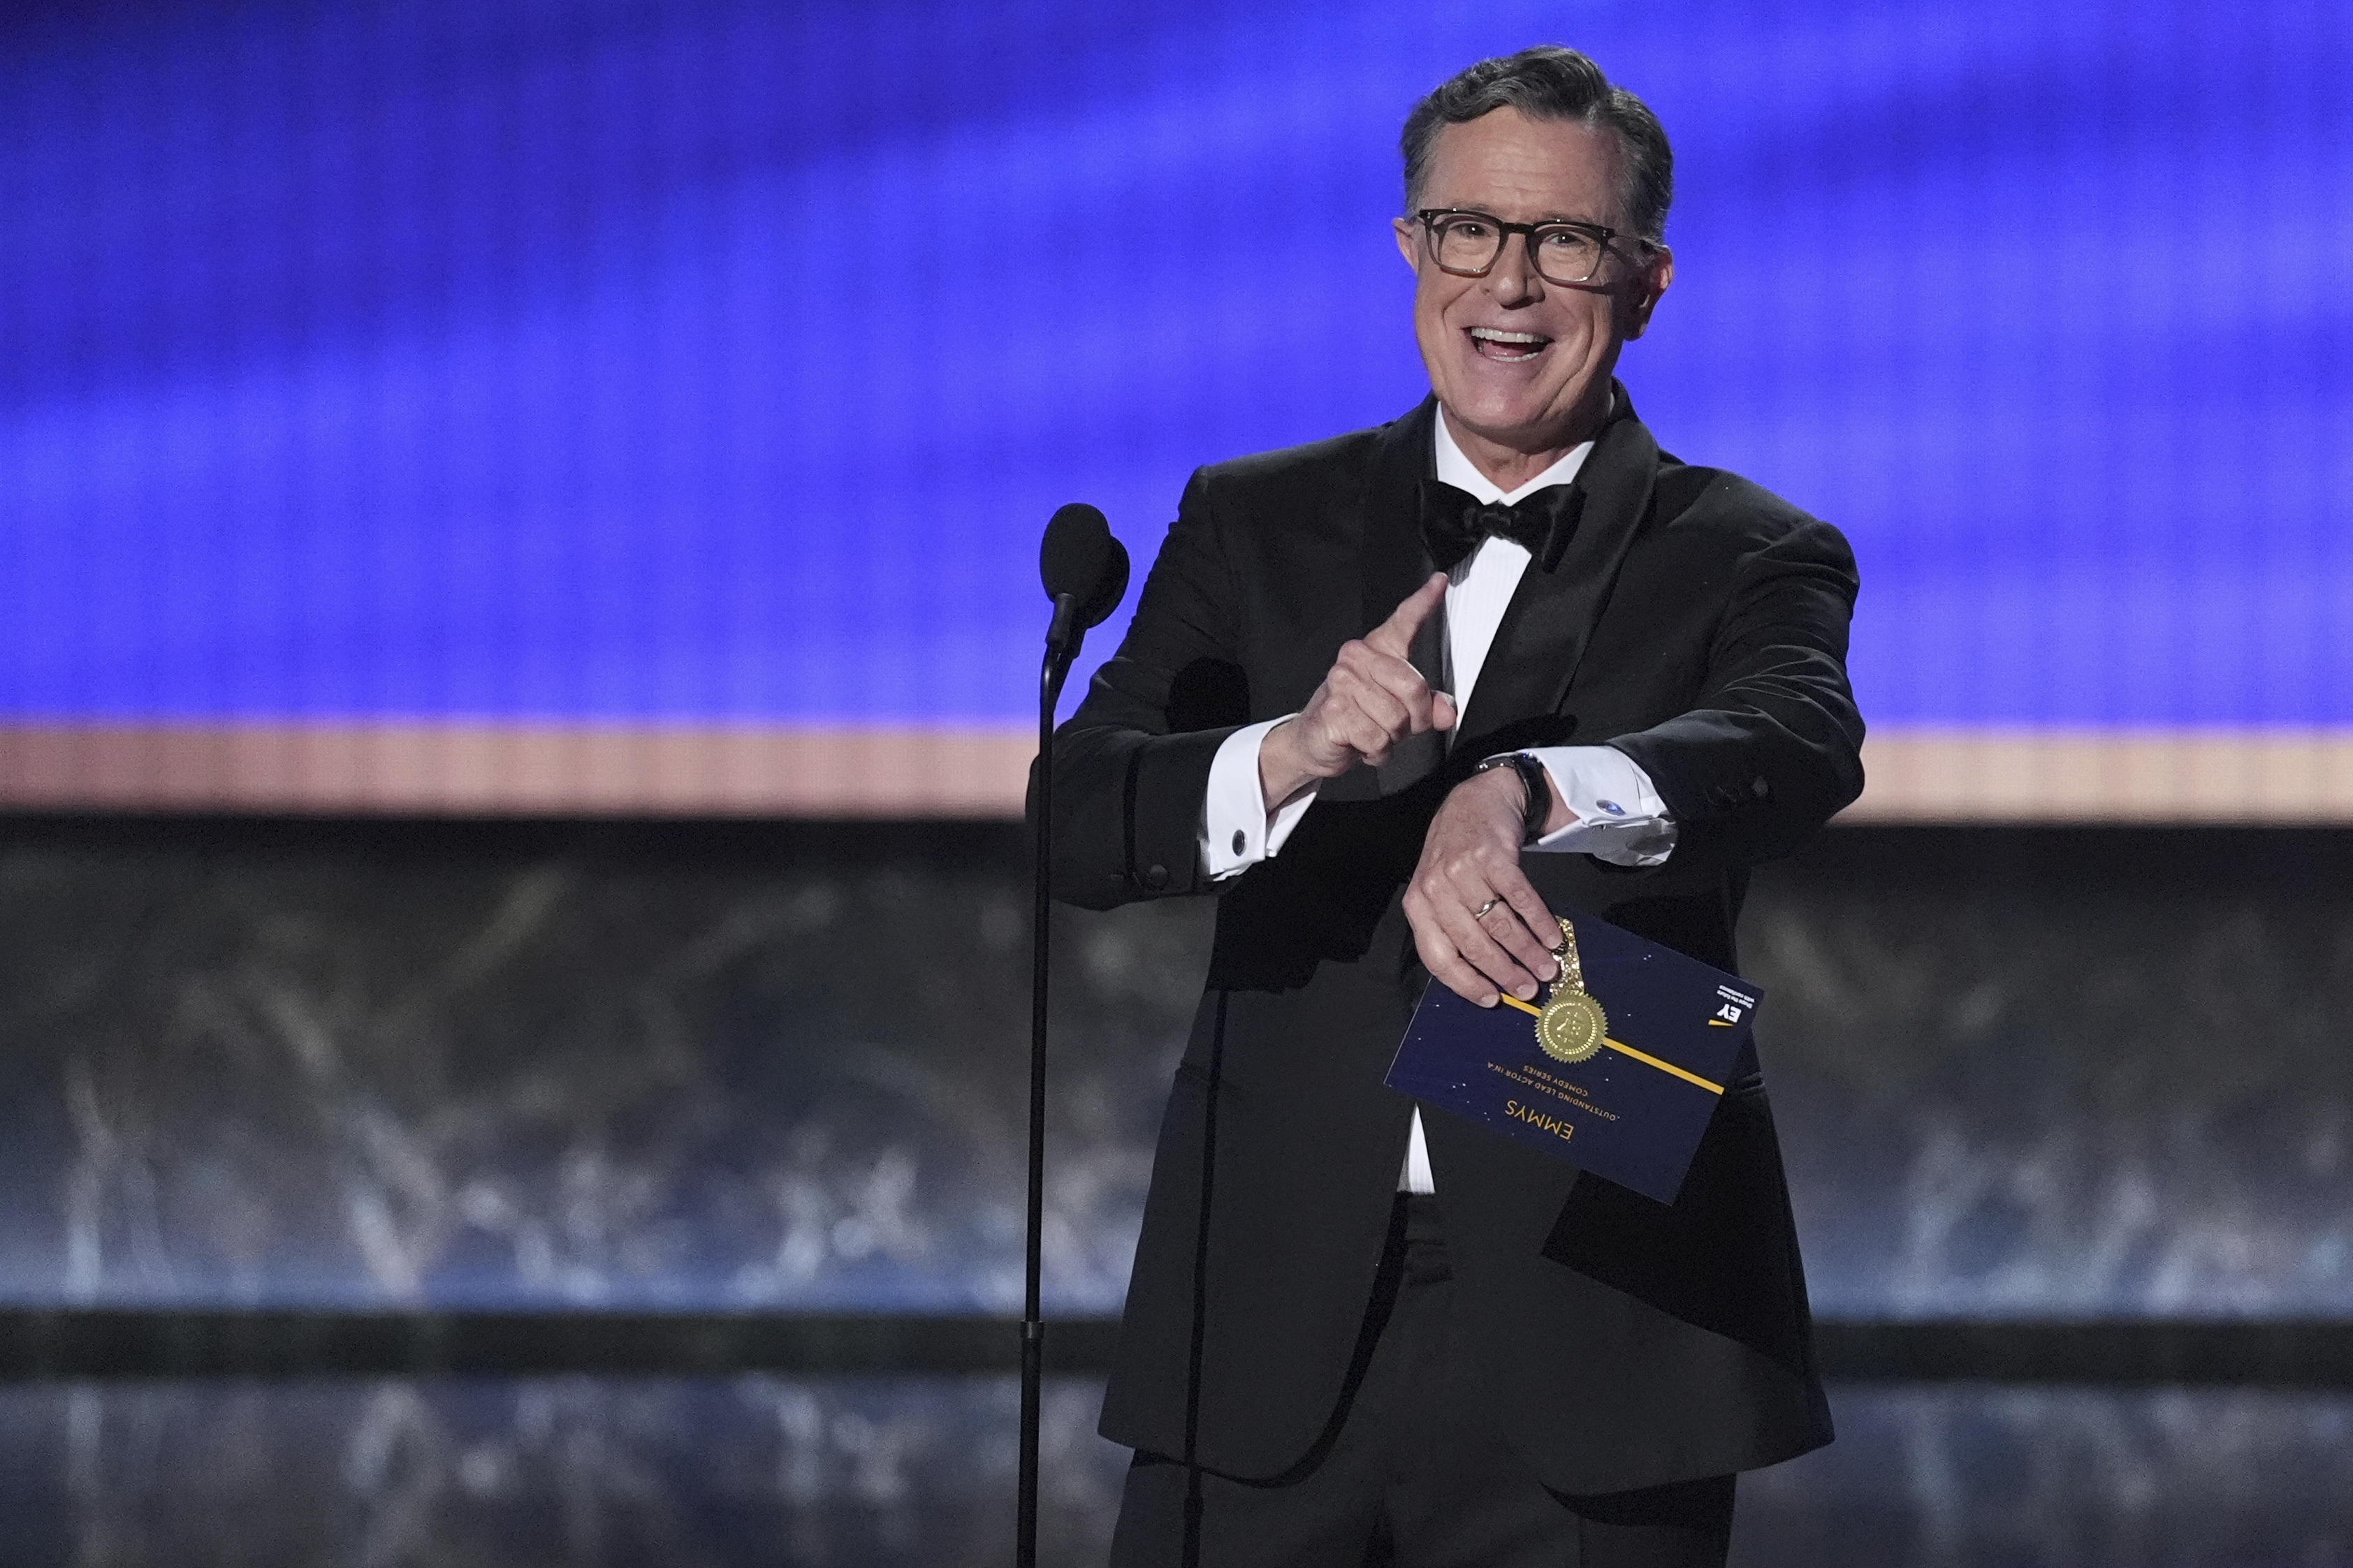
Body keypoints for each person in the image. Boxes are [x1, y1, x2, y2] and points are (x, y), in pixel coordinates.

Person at [1046, 44, 1863, 1568]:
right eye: (1469, 228)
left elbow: (1795, 741)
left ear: (1647, 283)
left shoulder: (1751, 549)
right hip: (1264, 1317)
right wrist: (1286, 753)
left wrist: (1530, 786)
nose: (1510, 281)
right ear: (1410, 248)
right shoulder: (1253, 518)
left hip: (1599, 1322)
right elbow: (1076, 819)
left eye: (1568, 239)